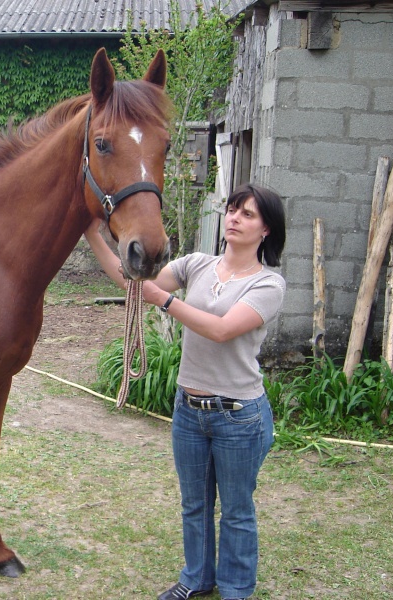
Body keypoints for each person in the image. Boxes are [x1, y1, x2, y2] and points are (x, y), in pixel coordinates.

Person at [137, 183, 286, 600]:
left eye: (248, 214)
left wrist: (166, 301)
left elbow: (221, 330)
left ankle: (236, 589)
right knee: (194, 505)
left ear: (266, 230)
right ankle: (196, 580)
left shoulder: (269, 285)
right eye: (232, 210)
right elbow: (137, 277)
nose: (234, 218)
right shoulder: (198, 264)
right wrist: (94, 229)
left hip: (239, 415)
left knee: (236, 512)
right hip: (189, 409)